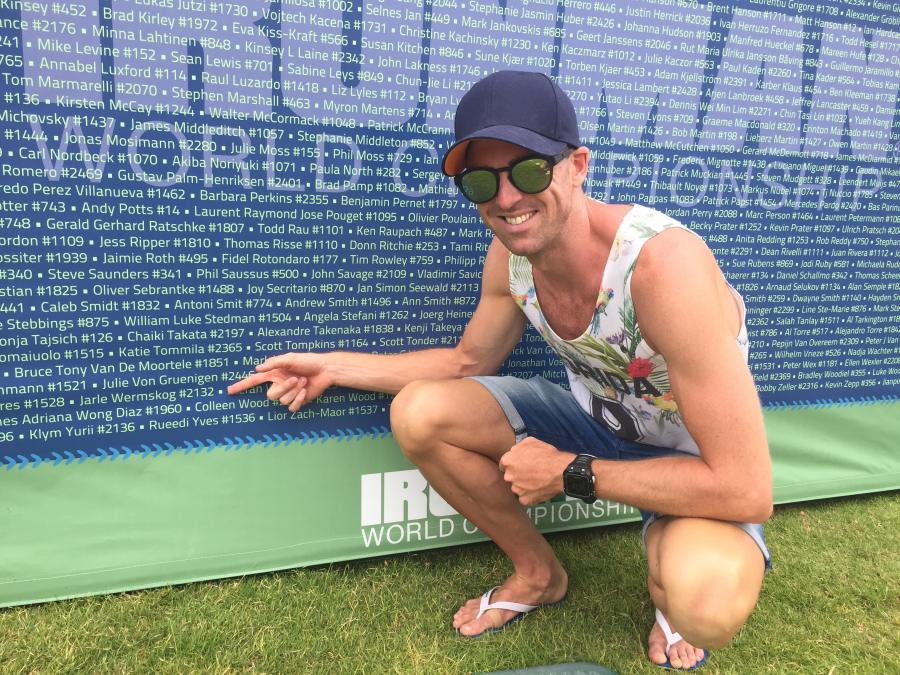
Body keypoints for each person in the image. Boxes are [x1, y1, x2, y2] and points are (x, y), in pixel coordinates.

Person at [228, 70, 772, 671]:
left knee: (705, 603)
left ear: (577, 165)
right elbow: (468, 362)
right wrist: (333, 366)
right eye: (482, 181)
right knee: (421, 413)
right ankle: (538, 574)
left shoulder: (663, 266)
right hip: (598, 423)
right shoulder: (510, 258)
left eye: (530, 171)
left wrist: (570, 473)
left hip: (693, 460)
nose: (506, 199)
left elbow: (746, 487)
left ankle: (670, 571)